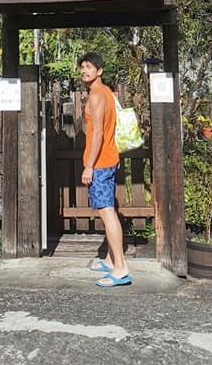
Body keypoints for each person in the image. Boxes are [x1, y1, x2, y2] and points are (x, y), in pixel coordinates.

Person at [78, 51, 132, 287]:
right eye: (82, 67)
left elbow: (98, 132)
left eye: (89, 67)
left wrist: (89, 165)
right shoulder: (107, 92)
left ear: (99, 71)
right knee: (108, 208)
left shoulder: (97, 96)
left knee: (106, 211)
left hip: (100, 162)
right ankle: (111, 260)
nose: (84, 70)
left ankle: (121, 269)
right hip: (110, 158)